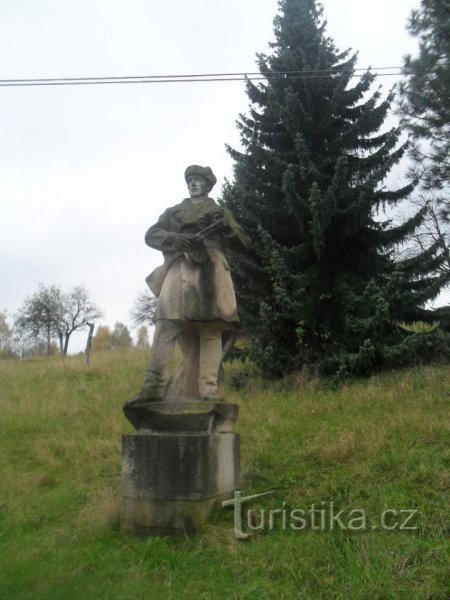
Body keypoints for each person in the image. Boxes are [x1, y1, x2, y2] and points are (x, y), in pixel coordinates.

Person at [126, 164, 250, 407]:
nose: (193, 184)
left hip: (211, 270)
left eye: (198, 180)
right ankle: (153, 387)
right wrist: (174, 238)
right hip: (179, 268)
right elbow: (152, 235)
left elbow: (245, 243)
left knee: (211, 330)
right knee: (166, 324)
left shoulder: (220, 212)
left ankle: (208, 390)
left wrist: (227, 229)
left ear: (207, 184)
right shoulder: (174, 212)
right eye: (190, 180)